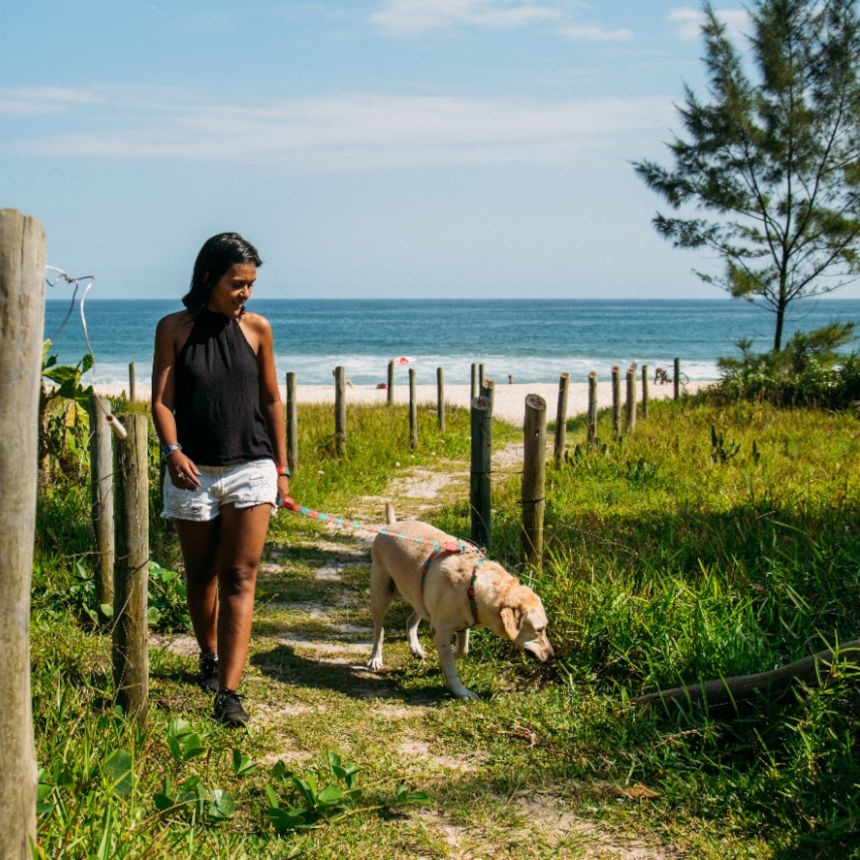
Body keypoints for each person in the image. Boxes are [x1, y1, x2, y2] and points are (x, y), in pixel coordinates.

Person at [152, 233, 289, 727]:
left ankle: (229, 693)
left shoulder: (257, 329)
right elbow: (162, 403)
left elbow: (272, 401)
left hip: (252, 468)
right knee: (202, 573)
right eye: (237, 283)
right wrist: (173, 451)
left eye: (251, 284)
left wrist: (282, 468)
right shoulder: (173, 328)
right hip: (193, 473)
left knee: (239, 576)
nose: (245, 294)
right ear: (209, 277)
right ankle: (207, 654)